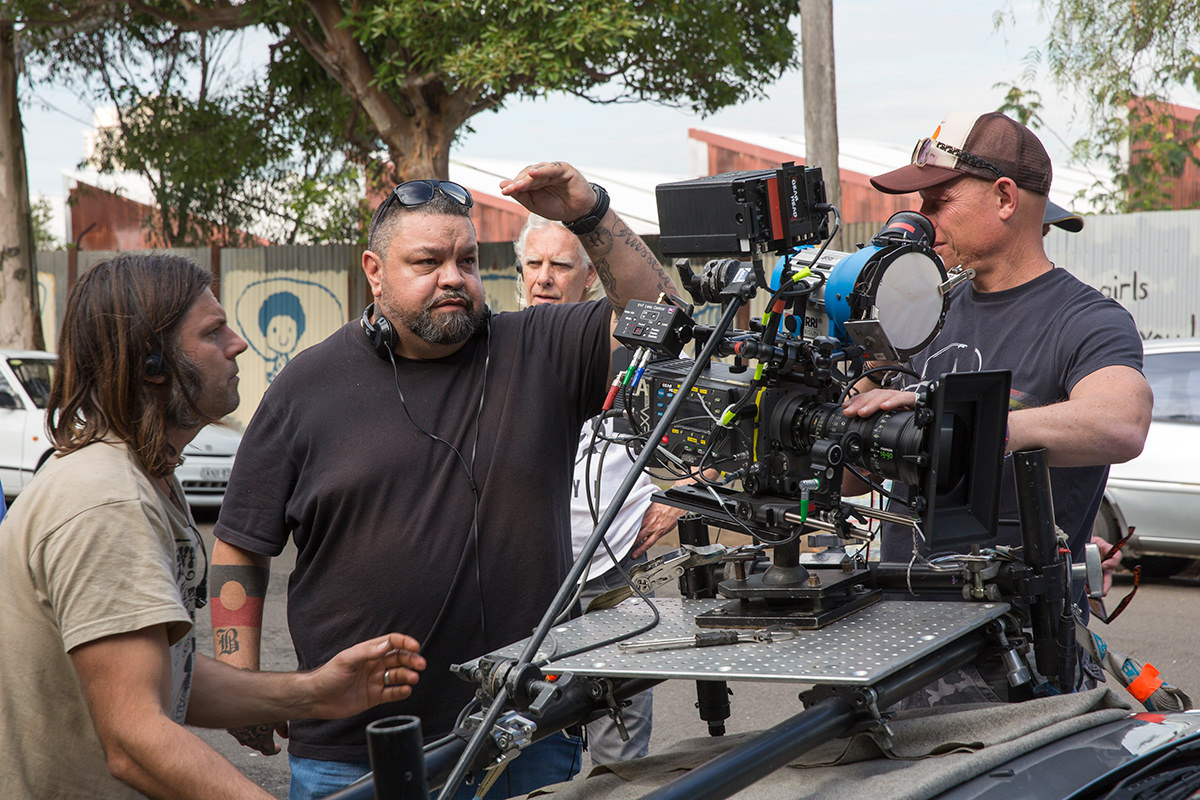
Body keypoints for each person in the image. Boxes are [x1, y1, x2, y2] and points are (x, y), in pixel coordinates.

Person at [210, 163, 680, 799]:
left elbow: (663, 316)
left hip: (523, 738)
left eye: (466, 259)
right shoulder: (305, 386)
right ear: (374, 272)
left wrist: (587, 210)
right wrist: (243, 681)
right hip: (353, 755)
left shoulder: (542, 347)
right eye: (427, 262)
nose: (453, 278)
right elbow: (241, 541)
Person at [0, 253, 426, 800]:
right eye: (212, 331)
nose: (238, 343)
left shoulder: (139, 476)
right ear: (153, 362)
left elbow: (156, 675)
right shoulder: (106, 501)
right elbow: (134, 737)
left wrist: (314, 693)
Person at [842, 111, 1151, 700]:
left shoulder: (1086, 319)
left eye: (938, 203)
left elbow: (1121, 423)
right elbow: (855, 479)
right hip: (902, 642)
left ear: (1005, 197)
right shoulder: (920, 317)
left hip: (1021, 659)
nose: (923, 222)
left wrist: (950, 423)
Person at [515, 214, 688, 764]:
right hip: (524, 575)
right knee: (528, 730)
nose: (543, 277)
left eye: (559, 265)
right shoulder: (497, 350)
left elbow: (725, 429)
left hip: (614, 570)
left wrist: (678, 496)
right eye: (533, 264)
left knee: (620, 742)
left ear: (590, 275)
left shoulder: (634, 351)